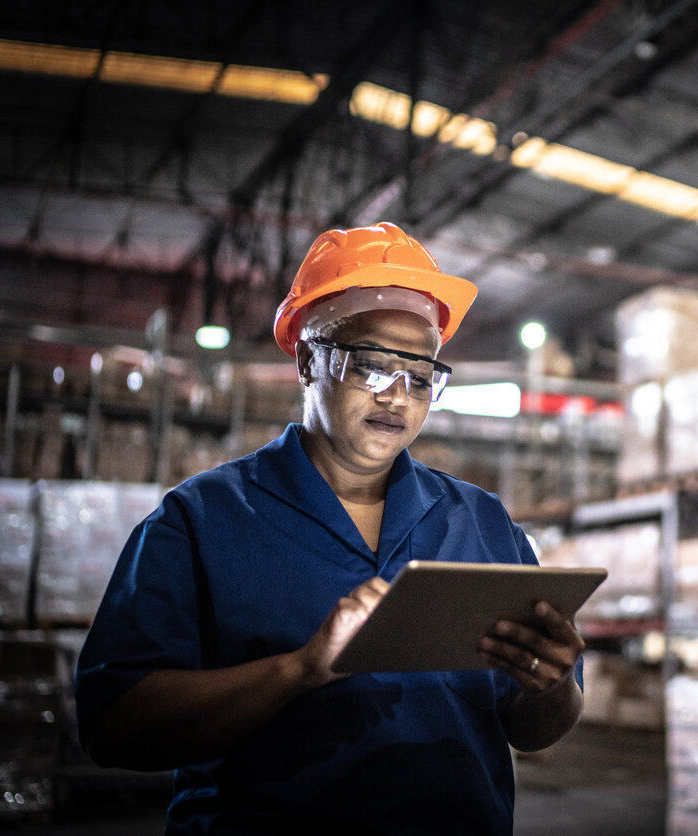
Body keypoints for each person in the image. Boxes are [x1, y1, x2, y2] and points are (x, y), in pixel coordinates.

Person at [74, 222, 587, 834]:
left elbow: (528, 730)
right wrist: (300, 670)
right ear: (307, 362)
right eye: (371, 366)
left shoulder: (480, 523)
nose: (397, 396)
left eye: (420, 376)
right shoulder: (201, 521)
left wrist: (551, 685)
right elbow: (113, 727)